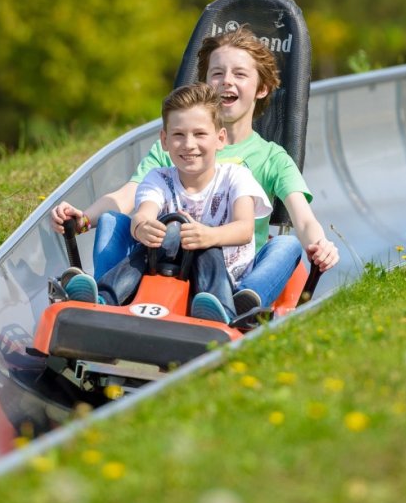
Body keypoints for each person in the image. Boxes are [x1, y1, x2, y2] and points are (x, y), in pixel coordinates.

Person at [51, 25, 339, 314]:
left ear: (261, 88)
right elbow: (130, 194)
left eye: (239, 74)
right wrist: (85, 219)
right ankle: (103, 298)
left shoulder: (271, 157)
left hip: (233, 266)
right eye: (217, 73)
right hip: (165, 258)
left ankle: (240, 303)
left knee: (286, 246)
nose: (226, 82)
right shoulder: (179, 147)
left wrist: (320, 244)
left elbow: (302, 220)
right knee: (114, 220)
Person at [62, 82, 271, 323]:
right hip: (167, 272)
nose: (188, 144)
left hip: (222, 276)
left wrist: (207, 236)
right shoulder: (158, 178)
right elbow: (144, 212)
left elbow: (245, 229)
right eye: (178, 135)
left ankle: (220, 309)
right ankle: (103, 299)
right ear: (164, 140)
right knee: (157, 239)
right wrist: (142, 227)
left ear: (220, 138)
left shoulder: (237, 176)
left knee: (202, 242)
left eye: (200, 134)